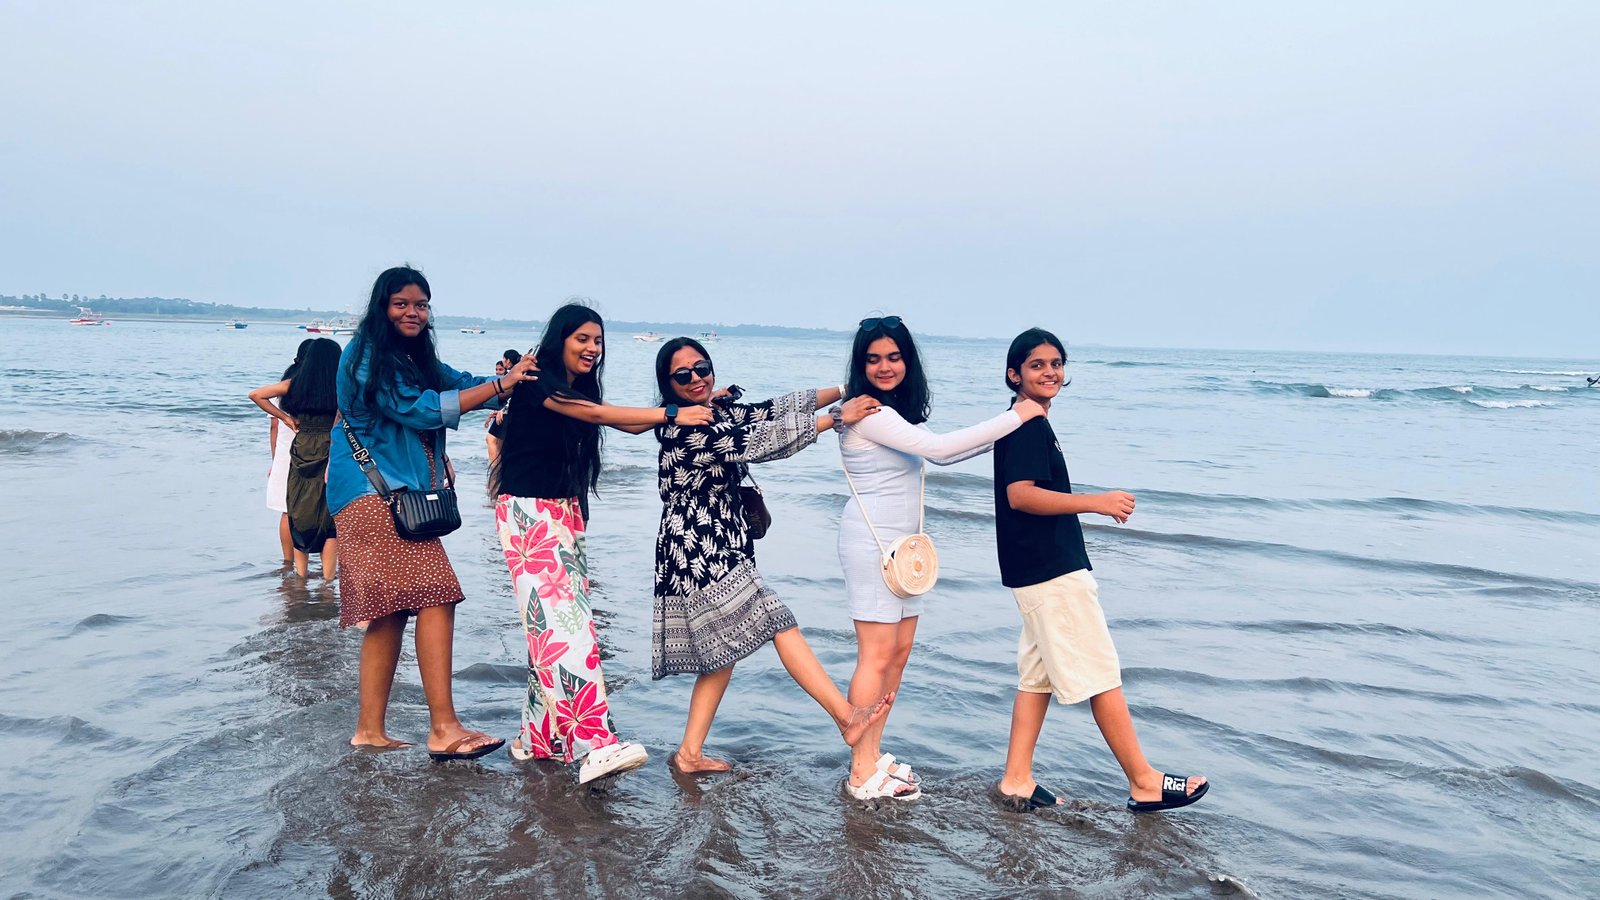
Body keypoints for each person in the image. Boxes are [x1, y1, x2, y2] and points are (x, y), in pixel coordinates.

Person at [649, 336, 894, 779]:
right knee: (778, 621)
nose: (696, 378)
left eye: (702, 368)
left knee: (725, 653)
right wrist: (839, 418)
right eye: (682, 375)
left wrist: (847, 388)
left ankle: (689, 754)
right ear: (668, 386)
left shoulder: (714, 411)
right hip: (696, 548)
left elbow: (773, 410)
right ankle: (846, 718)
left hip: (720, 542)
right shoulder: (683, 428)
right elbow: (759, 441)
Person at [492, 306, 716, 785]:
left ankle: (537, 739)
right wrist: (672, 411)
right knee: (566, 630)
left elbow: (623, 423)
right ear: (560, 339)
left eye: (598, 340)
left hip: (562, 513)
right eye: (582, 338)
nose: (592, 348)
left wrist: (693, 408)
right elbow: (595, 414)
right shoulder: (536, 380)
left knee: (554, 628)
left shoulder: (577, 389)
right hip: (529, 513)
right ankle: (594, 744)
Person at [991, 327, 1208, 813]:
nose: (1050, 372)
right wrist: (1097, 502)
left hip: (1035, 569)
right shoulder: (1027, 424)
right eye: (1037, 365)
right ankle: (1143, 781)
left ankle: (1016, 779)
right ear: (1014, 374)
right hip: (1051, 571)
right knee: (1100, 671)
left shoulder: (1023, 420)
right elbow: (1020, 495)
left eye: (1056, 364)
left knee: (1037, 676)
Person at [326, 265, 538, 760]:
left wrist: (513, 381)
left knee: (390, 615)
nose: (413, 313)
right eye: (401, 303)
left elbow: (461, 383)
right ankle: (443, 727)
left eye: (421, 305)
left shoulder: (412, 356)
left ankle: (369, 731)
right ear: (382, 306)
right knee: (438, 595)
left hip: (383, 495)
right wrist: (500, 385)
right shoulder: (365, 355)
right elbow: (419, 408)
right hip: (371, 493)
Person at [833, 316, 1045, 800]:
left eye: (894, 357)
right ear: (861, 366)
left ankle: (874, 753)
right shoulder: (868, 413)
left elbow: (946, 451)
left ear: (908, 360)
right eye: (873, 359)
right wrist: (1020, 414)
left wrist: (1015, 424)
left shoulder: (896, 415)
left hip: (903, 551)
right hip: (871, 545)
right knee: (876, 655)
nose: (885, 367)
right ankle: (861, 770)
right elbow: (943, 451)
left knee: (898, 654)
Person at [250, 338, 345, 578]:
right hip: (332, 447)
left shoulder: (295, 384)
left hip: (303, 445)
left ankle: (300, 576)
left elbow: (256, 395)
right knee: (330, 517)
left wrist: (285, 418)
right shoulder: (342, 386)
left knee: (297, 509)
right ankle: (328, 581)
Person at [264, 339, 314, 563]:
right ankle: (318, 567)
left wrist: (275, 461)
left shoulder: (283, 387)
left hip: (285, 456)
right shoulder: (321, 388)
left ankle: (288, 563)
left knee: (287, 512)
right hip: (313, 455)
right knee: (318, 512)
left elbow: (274, 428)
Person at [485, 350, 521, 465]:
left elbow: (516, 396)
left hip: (510, 414)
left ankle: (495, 469)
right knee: (498, 444)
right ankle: (498, 468)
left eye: (504, 360)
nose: (498, 372)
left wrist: (503, 410)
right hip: (511, 413)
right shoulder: (518, 372)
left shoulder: (513, 375)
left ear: (508, 361)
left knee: (491, 439)